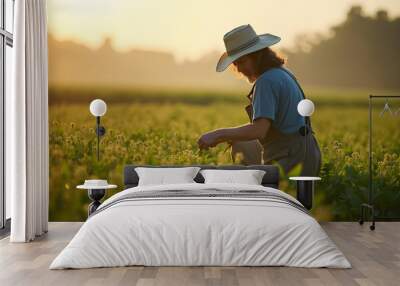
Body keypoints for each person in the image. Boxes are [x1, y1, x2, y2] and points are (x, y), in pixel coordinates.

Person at [197, 24, 321, 176]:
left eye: (242, 62)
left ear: (258, 56)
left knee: (247, 176)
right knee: (241, 144)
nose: (239, 69)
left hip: (291, 158)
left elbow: (259, 130)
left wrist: (217, 134)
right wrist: (226, 136)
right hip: (308, 153)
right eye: (235, 64)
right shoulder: (282, 72)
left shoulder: (266, 81)